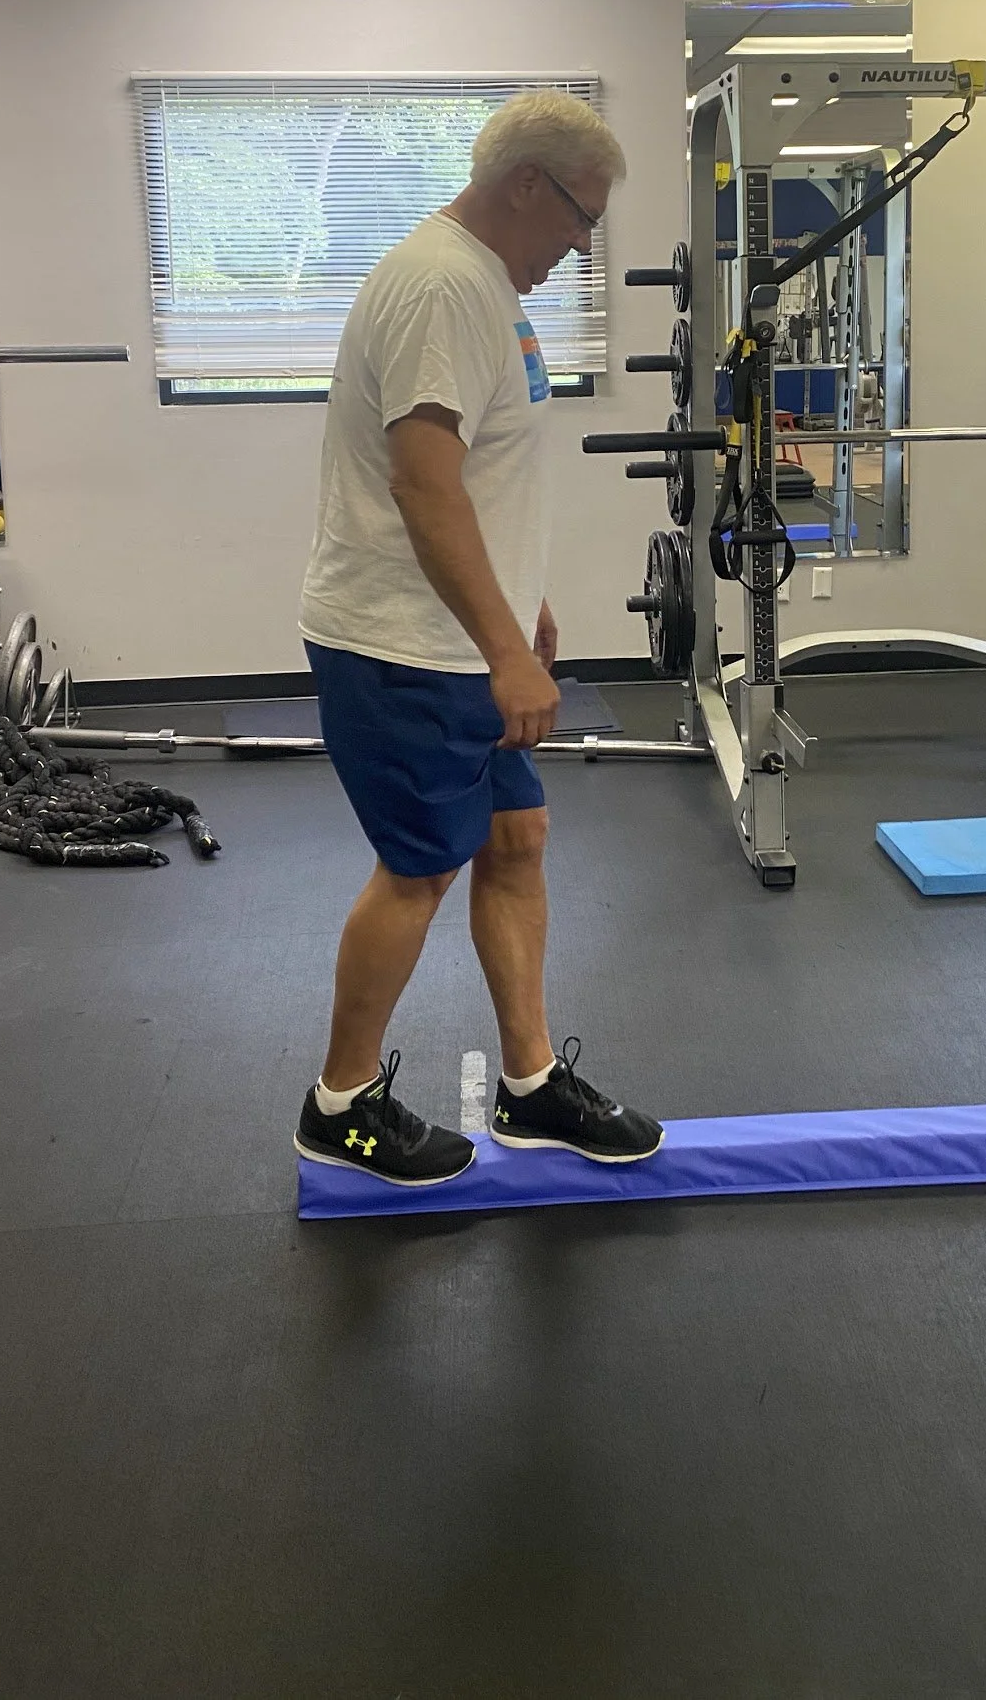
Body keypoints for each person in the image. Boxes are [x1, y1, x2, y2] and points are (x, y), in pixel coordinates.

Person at [293, 91, 663, 1187]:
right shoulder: (445, 285)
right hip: (404, 644)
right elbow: (423, 481)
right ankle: (340, 1102)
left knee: (516, 843)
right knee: (418, 870)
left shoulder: (484, 288)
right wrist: (504, 647)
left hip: (458, 634)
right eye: (580, 219)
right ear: (524, 185)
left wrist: (520, 607)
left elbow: (484, 473)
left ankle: (532, 1084)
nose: (583, 245)